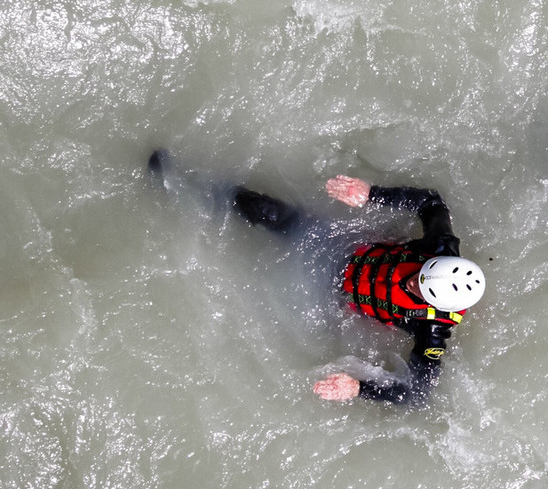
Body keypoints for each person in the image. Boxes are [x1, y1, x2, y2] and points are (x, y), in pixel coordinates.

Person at [149, 151, 485, 405]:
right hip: (348, 246)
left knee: (264, 310)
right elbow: (432, 202)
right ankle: (183, 182)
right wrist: (372, 194)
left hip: (336, 294)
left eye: (418, 289)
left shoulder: (433, 329)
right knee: (268, 212)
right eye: (419, 275)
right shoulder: (441, 246)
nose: (412, 281)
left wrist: (359, 388)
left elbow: (417, 394)